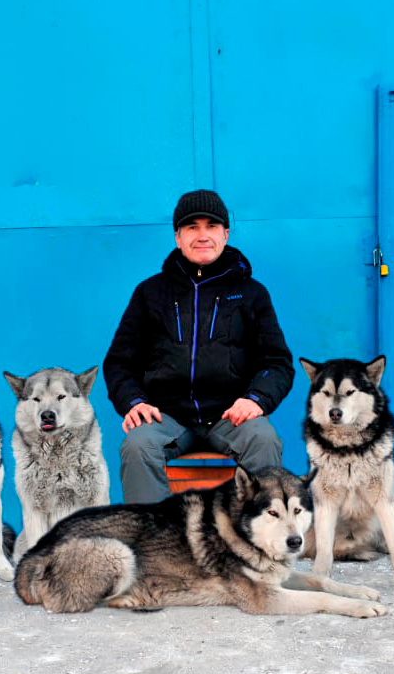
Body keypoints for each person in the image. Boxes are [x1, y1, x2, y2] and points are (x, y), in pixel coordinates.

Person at [103, 189, 295, 503]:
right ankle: (153, 545)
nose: (202, 235)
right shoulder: (150, 293)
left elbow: (277, 362)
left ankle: (261, 542)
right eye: (192, 227)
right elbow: (119, 363)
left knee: (263, 438)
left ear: (225, 234)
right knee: (138, 446)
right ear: (178, 237)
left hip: (230, 417)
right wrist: (134, 401)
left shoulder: (251, 293)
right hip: (167, 418)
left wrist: (256, 399)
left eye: (211, 226)